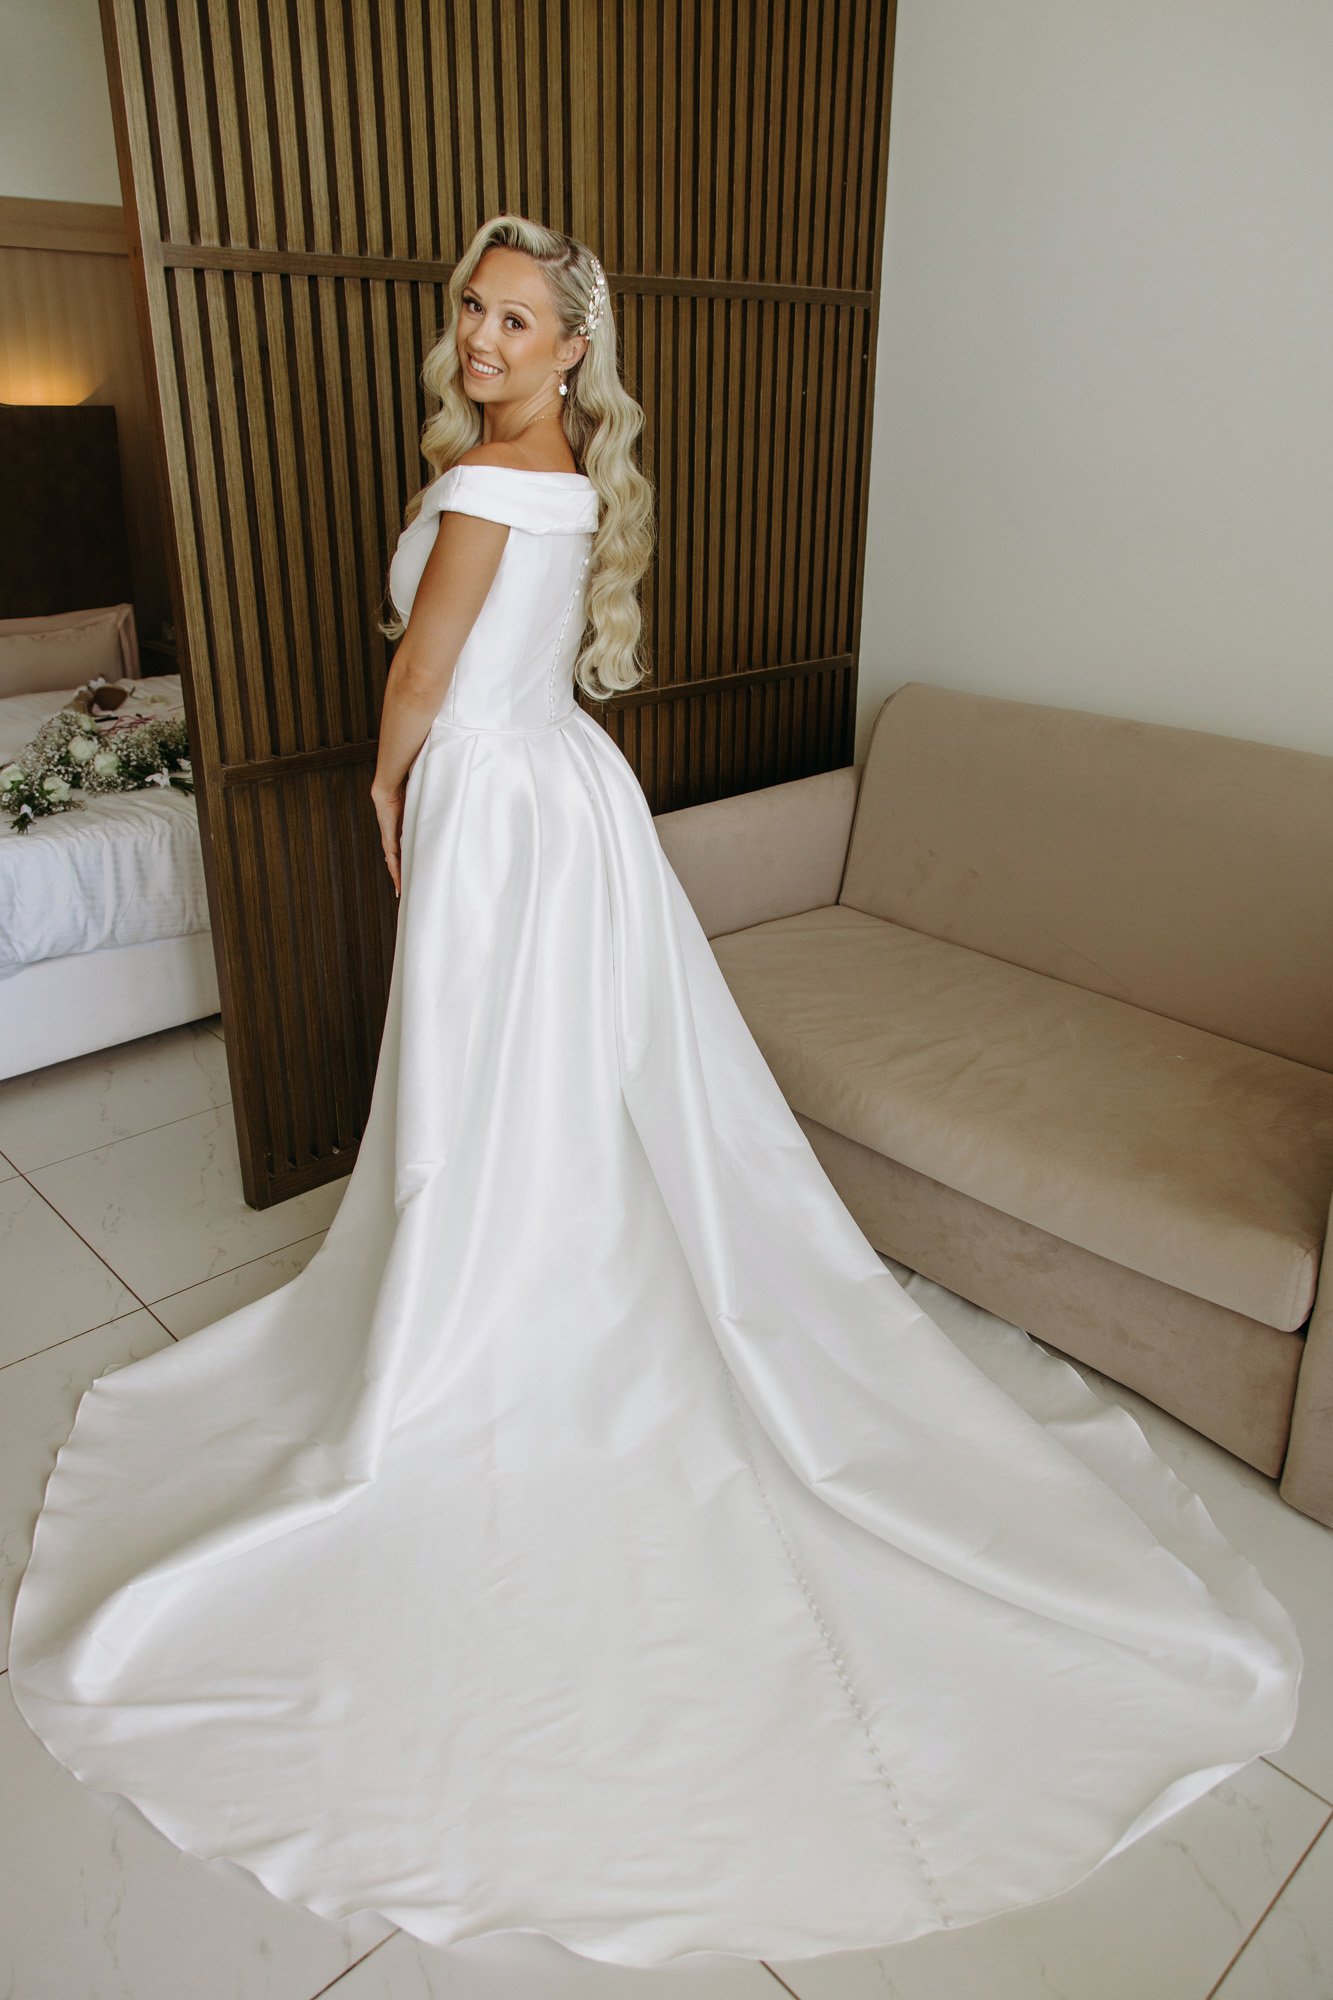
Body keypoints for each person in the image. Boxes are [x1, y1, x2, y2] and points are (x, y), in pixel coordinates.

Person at [7, 213, 1303, 1972]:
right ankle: (555, 1272)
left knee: (496, 1071)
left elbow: (416, 679)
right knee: (562, 1076)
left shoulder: (480, 492)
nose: (480, 337)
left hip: (489, 798)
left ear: (566, 350)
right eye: (471, 310)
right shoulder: (556, 477)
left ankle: (501, 1306)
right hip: (567, 796)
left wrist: (386, 797)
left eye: (516, 319)